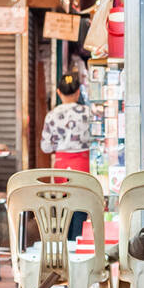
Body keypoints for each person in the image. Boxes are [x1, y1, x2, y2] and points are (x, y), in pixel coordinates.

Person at [39, 72, 92, 240]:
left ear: (58, 92)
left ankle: (65, 247)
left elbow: (45, 147)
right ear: (78, 92)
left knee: (63, 209)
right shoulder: (88, 113)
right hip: (84, 165)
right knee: (81, 208)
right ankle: (78, 245)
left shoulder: (52, 115)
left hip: (62, 167)